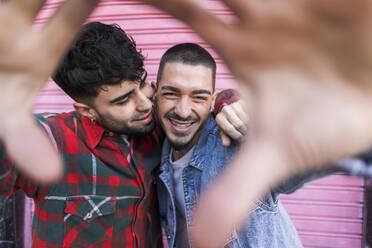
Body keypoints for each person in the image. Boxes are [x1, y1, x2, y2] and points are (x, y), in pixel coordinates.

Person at [138, 0, 372, 246]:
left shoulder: (237, 143)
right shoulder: (157, 150)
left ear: (212, 100)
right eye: (171, 94)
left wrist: (357, 122)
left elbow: (314, 154)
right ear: (155, 94)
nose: (183, 111)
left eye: (199, 97)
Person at [0, 21, 246, 247]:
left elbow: (196, 99)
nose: (145, 104)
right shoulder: (51, 142)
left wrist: (228, 102)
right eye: (123, 100)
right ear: (88, 111)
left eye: (141, 84)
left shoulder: (156, 129)